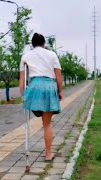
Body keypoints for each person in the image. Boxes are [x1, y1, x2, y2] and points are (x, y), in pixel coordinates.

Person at [19, 33, 63, 161]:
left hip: (34, 87)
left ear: (32, 44)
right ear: (44, 43)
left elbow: (22, 79)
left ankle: (39, 112)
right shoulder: (52, 54)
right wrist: (60, 91)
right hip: (49, 86)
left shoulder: (26, 56)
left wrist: (23, 95)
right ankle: (48, 154)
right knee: (47, 124)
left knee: (40, 115)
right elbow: (59, 76)